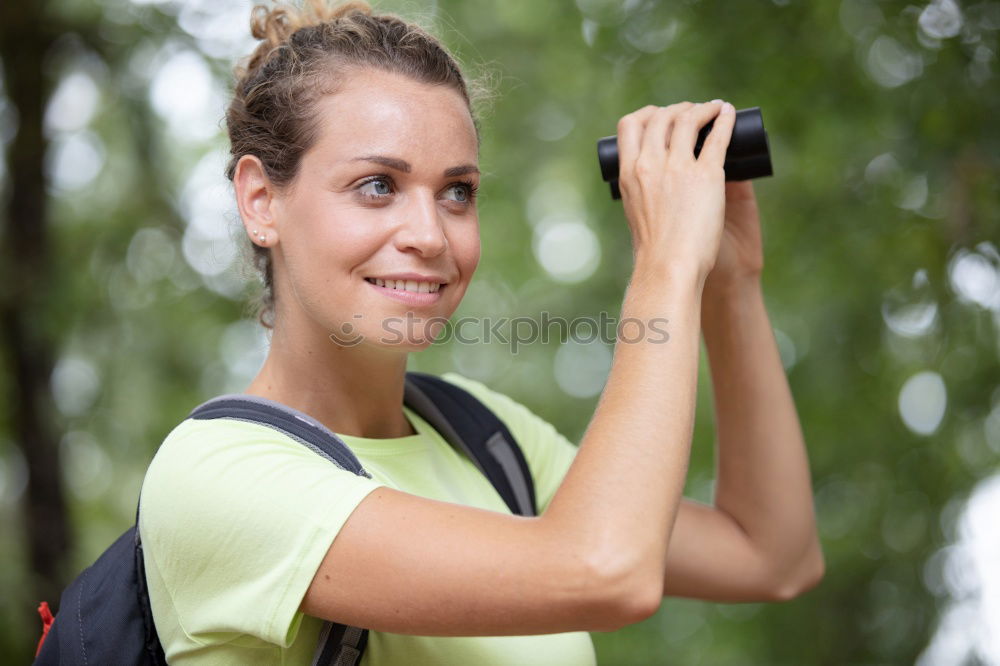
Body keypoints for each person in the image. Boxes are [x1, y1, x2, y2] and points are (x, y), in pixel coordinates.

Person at [137, 1, 825, 664]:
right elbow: (605, 569)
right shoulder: (217, 476)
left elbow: (770, 553)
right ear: (261, 201)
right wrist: (667, 261)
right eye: (378, 185)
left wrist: (728, 280)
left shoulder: (485, 437)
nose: (431, 235)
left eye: (457, 192)